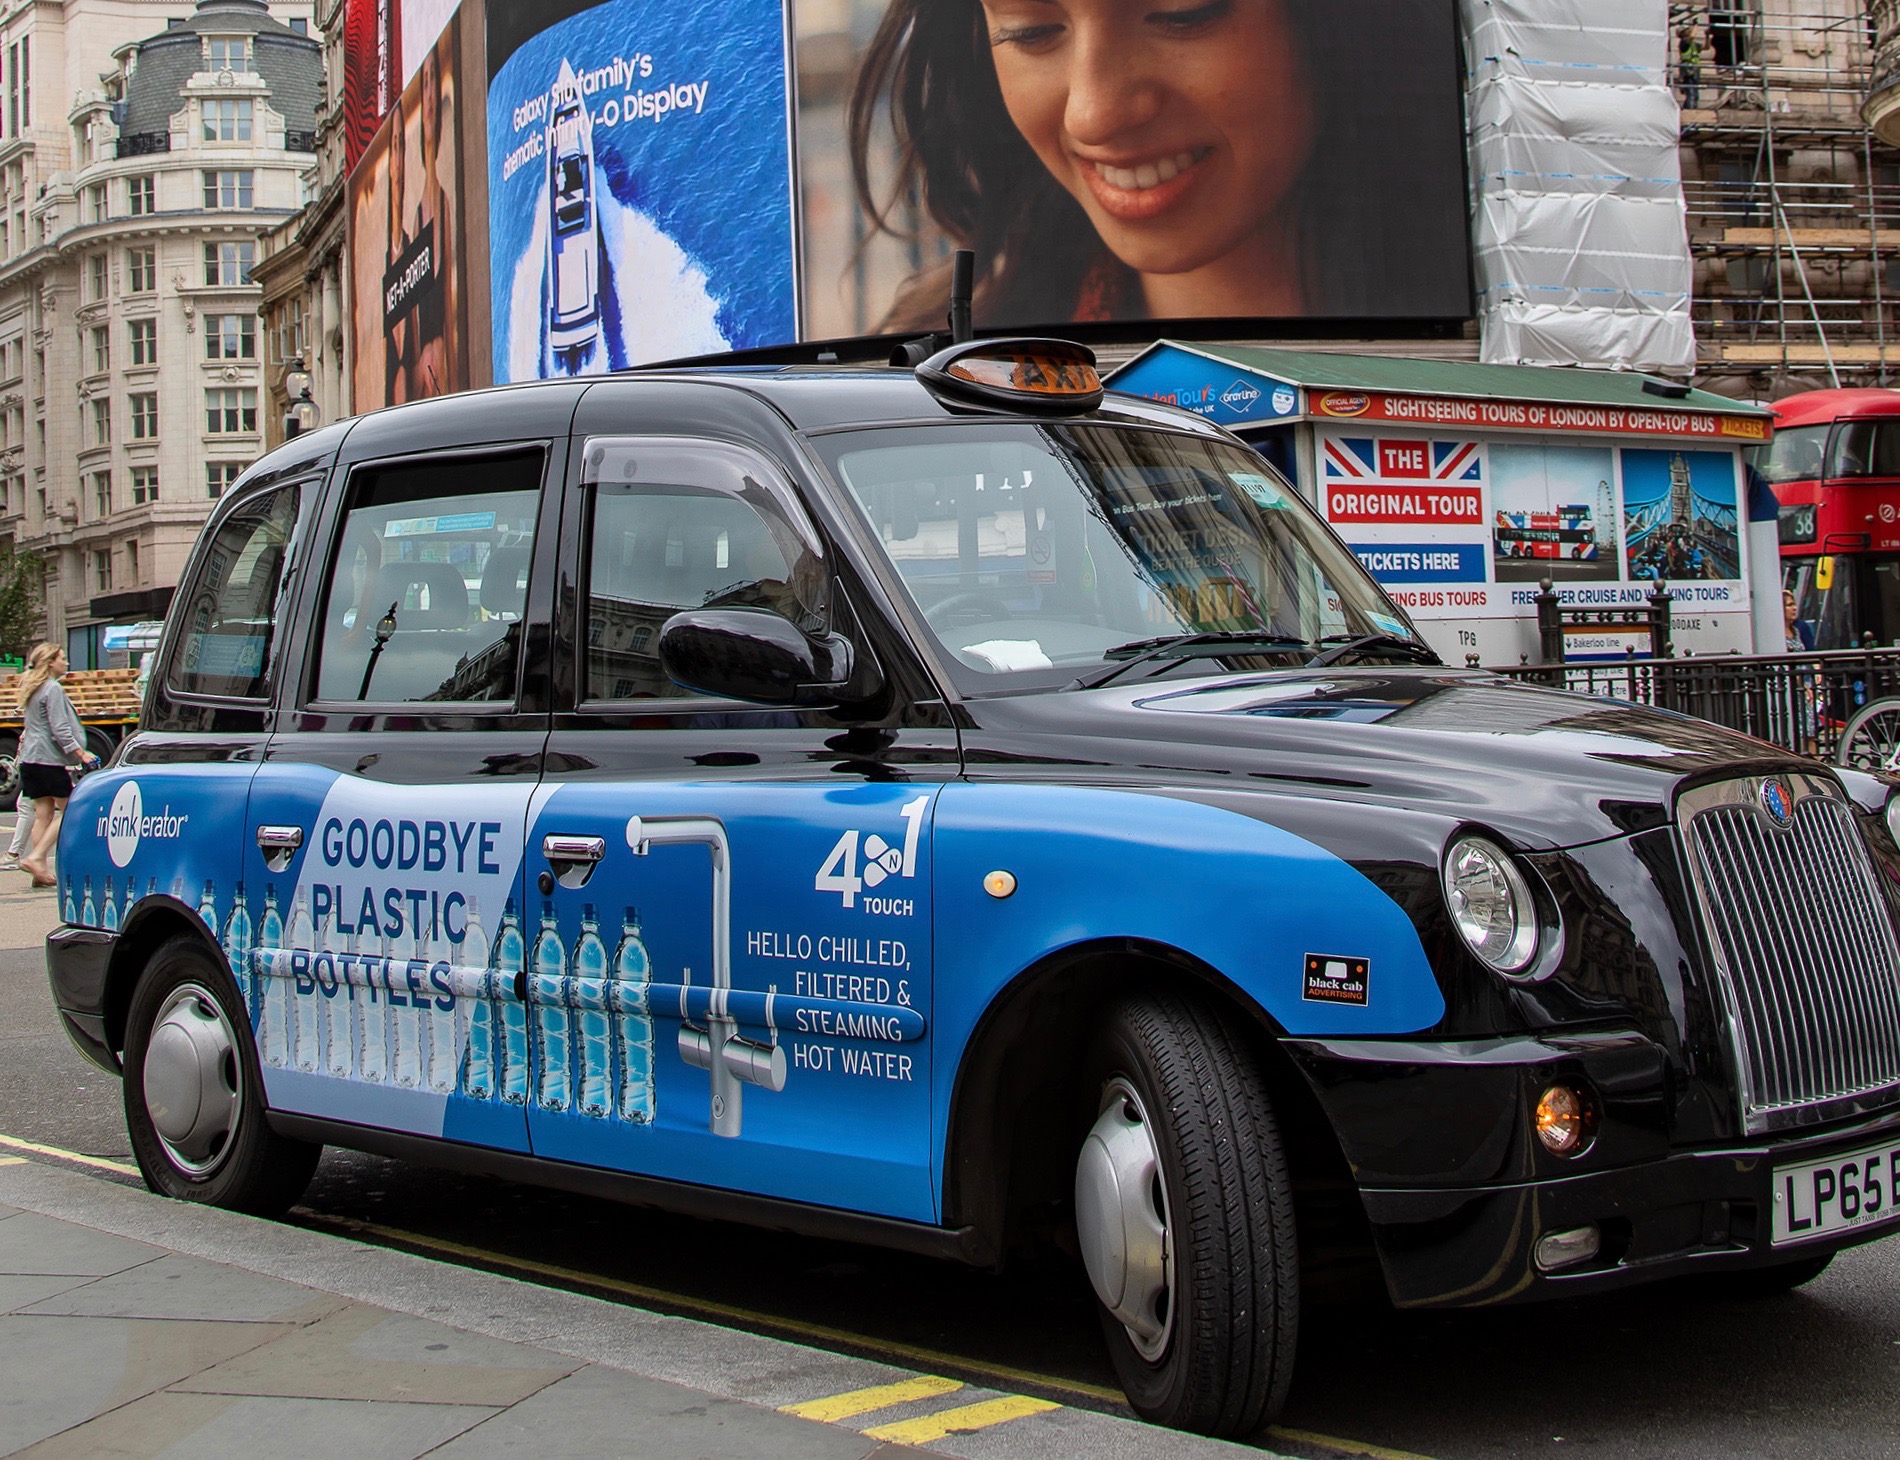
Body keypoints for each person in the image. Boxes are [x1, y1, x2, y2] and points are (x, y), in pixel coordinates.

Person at [849, 0, 1463, 330]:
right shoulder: (942, 365)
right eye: (1031, 31)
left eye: (1182, 14)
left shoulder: (1522, 343)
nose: (1094, 115)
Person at [14, 643, 98, 888]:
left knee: (44, 813)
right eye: (62, 658)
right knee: (70, 809)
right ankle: (36, 857)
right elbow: (59, 727)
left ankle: (39, 871)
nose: (67, 662)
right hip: (47, 759)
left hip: (31, 759)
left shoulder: (33, 686)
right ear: (50, 662)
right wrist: (80, 752)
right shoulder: (52, 688)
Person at [1678, 25, 1704, 111]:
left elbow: (1706, 47)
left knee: (1695, 94)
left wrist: (1708, 36)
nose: (1689, 30)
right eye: (1687, 30)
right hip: (1688, 70)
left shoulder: (1692, 44)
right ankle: (1690, 111)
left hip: (1694, 70)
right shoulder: (1684, 43)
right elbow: (1692, 36)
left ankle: (1688, 109)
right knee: (1691, 93)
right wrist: (1696, 25)